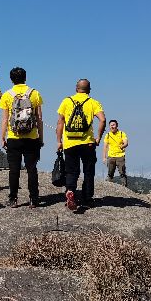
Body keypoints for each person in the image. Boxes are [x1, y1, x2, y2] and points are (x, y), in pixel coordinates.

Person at [56, 79, 106, 212]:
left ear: (76, 88)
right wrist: (98, 138)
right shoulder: (93, 102)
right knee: (88, 171)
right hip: (87, 143)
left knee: (71, 171)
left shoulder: (66, 101)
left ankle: (70, 191)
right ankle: (87, 198)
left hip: (70, 143)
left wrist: (59, 141)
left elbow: (60, 122)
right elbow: (102, 120)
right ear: (89, 90)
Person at [0, 67, 44, 208]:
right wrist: (40, 138)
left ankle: (13, 199)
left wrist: (3, 137)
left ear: (11, 79)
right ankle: (34, 199)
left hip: (14, 137)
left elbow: (5, 119)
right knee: (32, 169)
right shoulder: (34, 93)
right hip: (32, 137)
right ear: (25, 77)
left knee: (14, 170)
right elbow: (39, 118)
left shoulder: (7, 95)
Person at [105, 119, 129, 188]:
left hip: (120, 156)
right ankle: (108, 186)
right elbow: (105, 147)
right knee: (110, 173)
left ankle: (124, 187)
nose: (112, 127)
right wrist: (104, 157)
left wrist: (123, 145)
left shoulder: (122, 134)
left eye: (113, 125)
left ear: (117, 125)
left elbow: (126, 142)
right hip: (111, 156)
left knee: (122, 173)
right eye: (110, 125)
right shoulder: (108, 135)